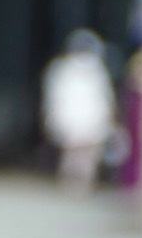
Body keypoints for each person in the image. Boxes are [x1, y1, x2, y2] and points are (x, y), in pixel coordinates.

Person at [43, 29, 117, 195]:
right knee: (82, 155)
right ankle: (78, 183)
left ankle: (76, 183)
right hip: (83, 119)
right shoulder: (73, 70)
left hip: (82, 119)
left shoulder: (68, 69)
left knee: (77, 154)